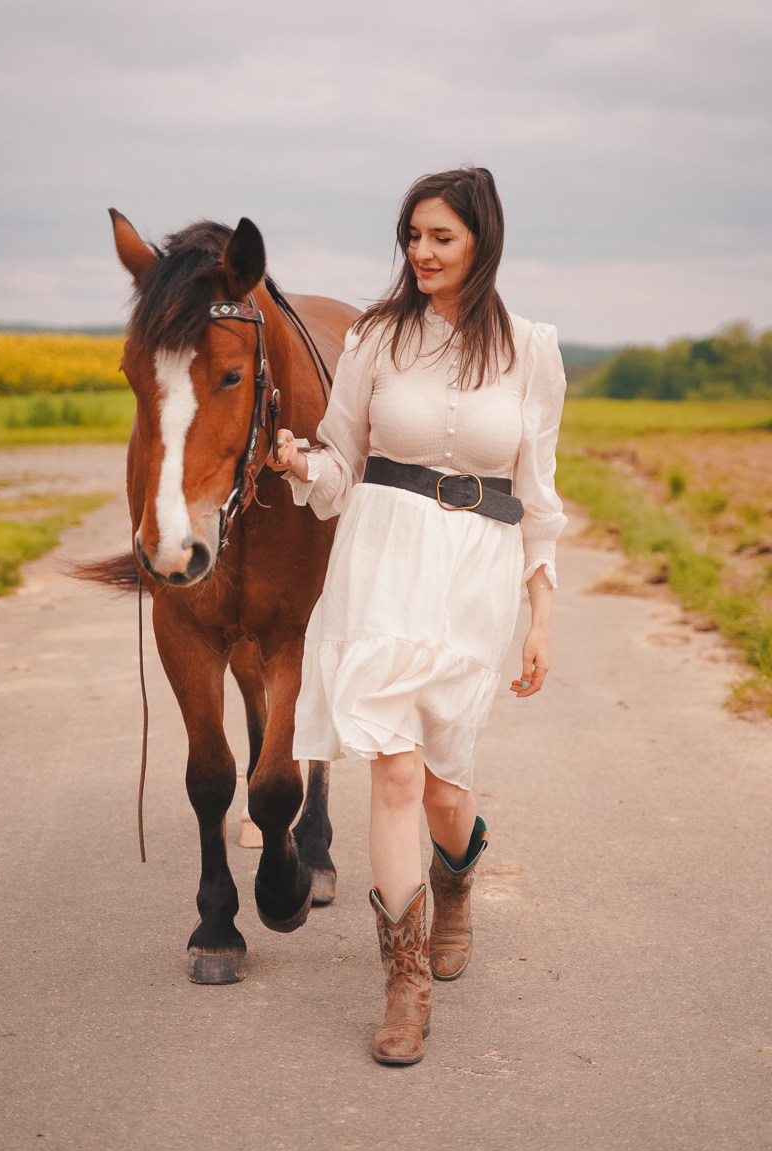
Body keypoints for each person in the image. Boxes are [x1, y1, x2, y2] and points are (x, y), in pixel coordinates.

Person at [268, 166, 567, 1066]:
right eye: (412, 236)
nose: (423, 253)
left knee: (444, 785)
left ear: (481, 239)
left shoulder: (529, 348)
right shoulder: (376, 339)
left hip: (473, 575)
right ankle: (405, 984)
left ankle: (458, 876)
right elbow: (342, 467)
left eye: (441, 236)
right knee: (391, 773)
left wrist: (540, 614)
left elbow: (542, 499)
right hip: (380, 564)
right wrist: (296, 465)